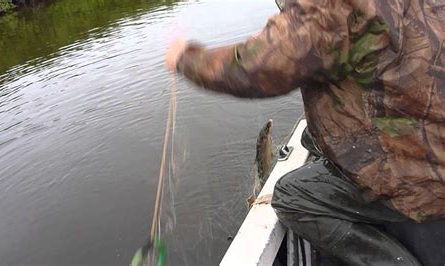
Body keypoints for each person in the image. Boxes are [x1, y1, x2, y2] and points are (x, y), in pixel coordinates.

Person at [166, 0, 445, 265]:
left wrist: (183, 59)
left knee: (291, 195)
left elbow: (251, 70)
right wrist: (282, 39)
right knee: (308, 138)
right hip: (428, 140)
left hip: (420, 182)